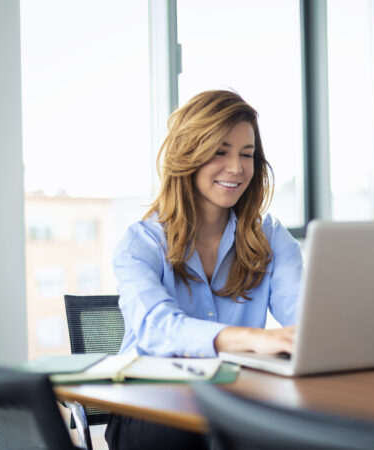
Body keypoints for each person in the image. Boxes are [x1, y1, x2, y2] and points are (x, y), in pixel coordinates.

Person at [105, 90, 303, 450]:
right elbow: (157, 328)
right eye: (220, 152)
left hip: (234, 401)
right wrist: (250, 339)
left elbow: (305, 317)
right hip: (151, 406)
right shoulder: (141, 244)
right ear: (189, 156)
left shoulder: (272, 238)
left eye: (247, 154)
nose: (237, 168)